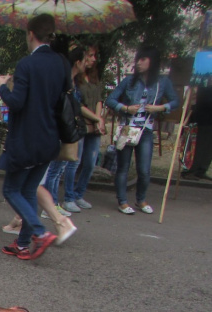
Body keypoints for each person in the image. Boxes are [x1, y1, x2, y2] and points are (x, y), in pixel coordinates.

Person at [0, 14, 65, 260]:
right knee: (28, 190)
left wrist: (3, 86)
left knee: (11, 190)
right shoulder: (61, 64)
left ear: (31, 34)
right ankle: (23, 243)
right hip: (50, 139)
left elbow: (16, 103)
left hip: (26, 139)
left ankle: (39, 232)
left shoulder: (27, 64)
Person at [106, 46, 179, 214]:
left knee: (144, 169)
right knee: (123, 167)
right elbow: (111, 99)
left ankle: (141, 199)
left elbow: (175, 101)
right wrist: (125, 108)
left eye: (143, 59)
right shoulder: (129, 81)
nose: (138, 63)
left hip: (145, 129)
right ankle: (122, 201)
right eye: (137, 59)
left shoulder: (163, 82)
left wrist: (160, 108)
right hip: (128, 127)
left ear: (152, 62)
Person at [42, 46, 103, 214]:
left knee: (60, 167)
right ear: (78, 62)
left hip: (67, 128)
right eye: (86, 59)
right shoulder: (65, 80)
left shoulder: (73, 81)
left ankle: (53, 205)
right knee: (55, 169)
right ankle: (50, 206)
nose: (88, 63)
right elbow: (64, 106)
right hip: (61, 128)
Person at [70, 44, 106, 209]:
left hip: (95, 125)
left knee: (90, 162)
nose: (92, 60)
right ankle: (69, 196)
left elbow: (99, 98)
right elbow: (77, 104)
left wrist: (98, 119)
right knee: (74, 161)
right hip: (81, 123)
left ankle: (79, 194)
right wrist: (96, 118)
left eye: (94, 56)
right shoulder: (75, 78)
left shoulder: (94, 77)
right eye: (89, 56)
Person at [182, 86, 212, 181]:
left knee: (208, 148)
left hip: (209, 120)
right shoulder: (205, 83)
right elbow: (205, 101)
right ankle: (190, 170)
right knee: (198, 146)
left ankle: (201, 170)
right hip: (202, 119)